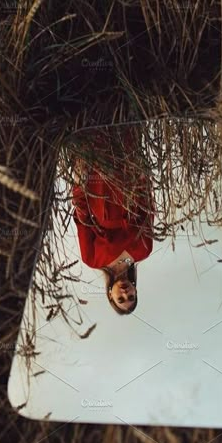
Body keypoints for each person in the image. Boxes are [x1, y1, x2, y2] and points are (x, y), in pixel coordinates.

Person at [70, 128, 154, 314]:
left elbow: (82, 219)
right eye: (131, 297)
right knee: (125, 130)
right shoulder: (144, 251)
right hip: (128, 183)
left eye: (120, 299)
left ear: (110, 294)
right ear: (135, 290)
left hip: (99, 190)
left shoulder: (91, 259)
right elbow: (147, 210)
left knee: (95, 131)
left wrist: (79, 182)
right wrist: (141, 177)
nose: (125, 293)